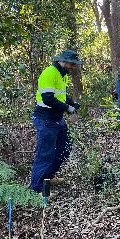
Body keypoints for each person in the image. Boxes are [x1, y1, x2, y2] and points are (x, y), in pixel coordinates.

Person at [30, 49, 83, 193]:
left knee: (64, 149)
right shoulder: (50, 73)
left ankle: (47, 177)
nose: (74, 67)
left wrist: (72, 103)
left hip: (57, 118)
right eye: (72, 64)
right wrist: (68, 108)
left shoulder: (62, 74)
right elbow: (48, 98)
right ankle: (37, 188)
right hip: (46, 118)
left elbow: (61, 95)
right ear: (64, 62)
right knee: (45, 154)